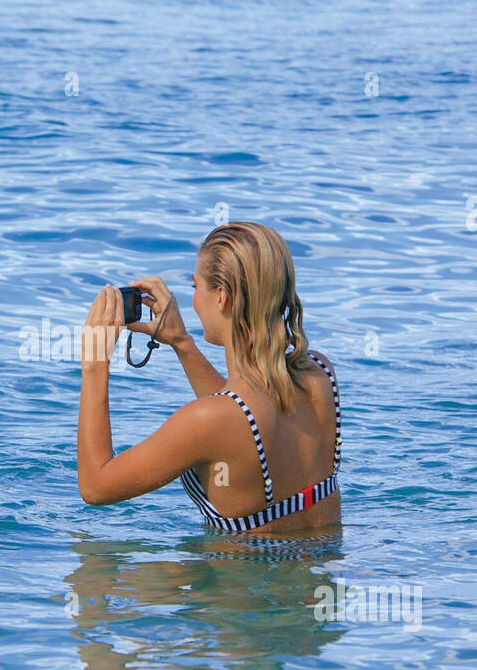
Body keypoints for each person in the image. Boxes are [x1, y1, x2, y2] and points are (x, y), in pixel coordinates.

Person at [77, 221, 341, 534]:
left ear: (221, 297)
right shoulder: (320, 375)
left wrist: (95, 364)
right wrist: (182, 343)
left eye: (195, 287)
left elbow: (95, 486)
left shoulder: (209, 420)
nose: (193, 299)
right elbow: (242, 422)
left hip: (241, 579)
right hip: (319, 571)